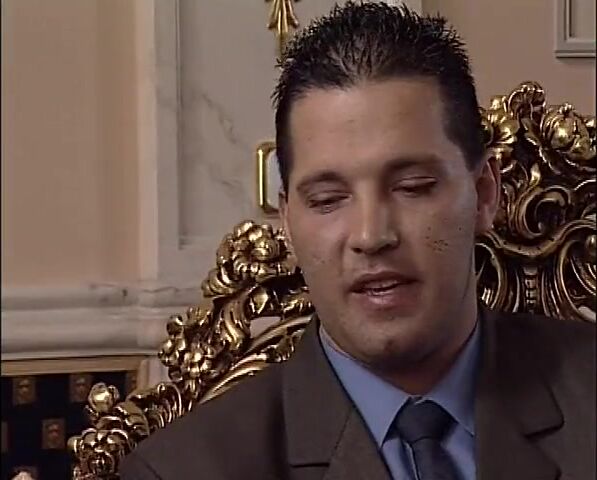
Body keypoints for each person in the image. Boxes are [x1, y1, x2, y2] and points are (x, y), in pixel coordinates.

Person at [120, 3, 595, 479]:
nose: (371, 236)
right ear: (289, 222)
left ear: (485, 194)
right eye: (328, 200)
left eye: (412, 187)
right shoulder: (186, 469)